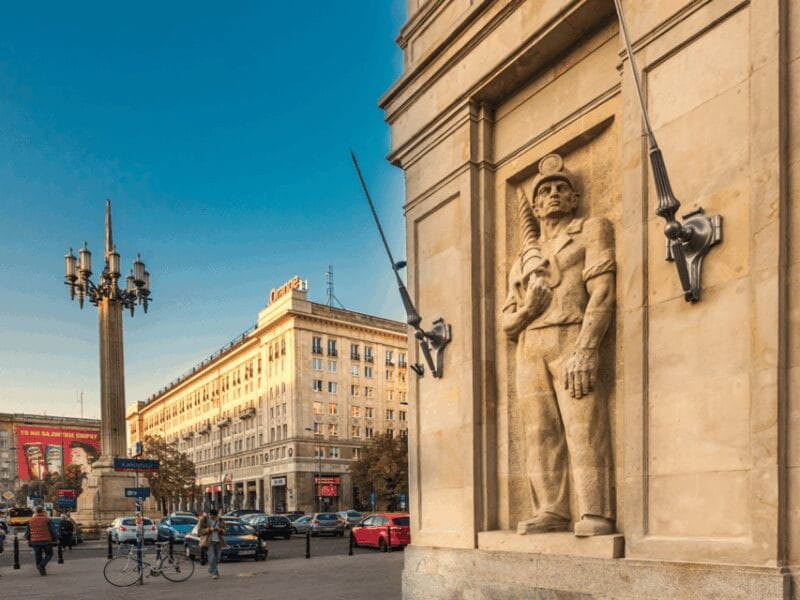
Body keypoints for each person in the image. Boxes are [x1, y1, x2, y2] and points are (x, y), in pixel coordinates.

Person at [503, 153, 616, 537]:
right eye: (544, 191)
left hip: (570, 334)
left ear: (573, 199)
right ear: (534, 207)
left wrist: (587, 348)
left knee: (583, 426)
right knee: (539, 432)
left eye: (560, 189)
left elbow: (602, 292)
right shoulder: (521, 260)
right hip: (530, 346)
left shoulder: (591, 229)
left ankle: (595, 512)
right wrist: (528, 310)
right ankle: (551, 509)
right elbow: (507, 320)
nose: (552, 194)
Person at [24, 506, 59, 575]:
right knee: (49, 554)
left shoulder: (30, 521)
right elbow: (53, 531)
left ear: (35, 512)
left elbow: (27, 533)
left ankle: (39, 567)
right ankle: (42, 565)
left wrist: (29, 539)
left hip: (35, 541)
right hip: (46, 540)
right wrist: (56, 538)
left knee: (38, 555)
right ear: (43, 511)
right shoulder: (47, 520)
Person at [198, 508, 225, 579]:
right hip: (209, 542)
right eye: (212, 516)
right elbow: (199, 532)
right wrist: (209, 529)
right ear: (209, 515)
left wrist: (220, 530)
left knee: (218, 558)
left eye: (215, 516)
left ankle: (211, 569)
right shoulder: (204, 520)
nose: (213, 518)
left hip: (218, 541)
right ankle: (215, 573)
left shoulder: (220, 520)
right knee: (212, 557)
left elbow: (225, 530)